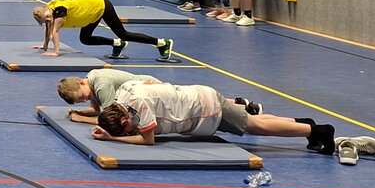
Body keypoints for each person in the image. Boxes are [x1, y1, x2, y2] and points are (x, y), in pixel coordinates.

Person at [93, 78, 343, 156]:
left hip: (205, 108)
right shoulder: (123, 95)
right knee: (253, 122)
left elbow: (148, 140)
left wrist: (113, 139)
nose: (132, 132)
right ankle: (304, 125)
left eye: (127, 130)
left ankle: (320, 131)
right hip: (198, 97)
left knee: (255, 126)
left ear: (124, 120)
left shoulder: (138, 104)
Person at [58, 69, 260, 123]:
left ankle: (243, 108)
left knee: (193, 101)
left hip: (149, 89)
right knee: (191, 97)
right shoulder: (91, 79)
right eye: (80, 101)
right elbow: (95, 109)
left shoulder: (101, 85)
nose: (84, 100)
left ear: (82, 82)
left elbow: (110, 117)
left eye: (82, 96)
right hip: (141, 89)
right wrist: (80, 112)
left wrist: (80, 119)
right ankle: (239, 103)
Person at [31, 0, 174, 62]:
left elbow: (55, 32)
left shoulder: (59, 10)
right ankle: (117, 44)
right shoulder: (50, 7)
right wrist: (44, 46)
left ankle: (162, 43)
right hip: (90, 12)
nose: (49, 19)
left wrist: (56, 52)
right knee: (85, 39)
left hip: (101, 6)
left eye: (48, 16)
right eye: (45, 20)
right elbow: (48, 27)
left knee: (123, 33)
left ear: (46, 9)